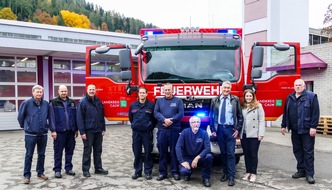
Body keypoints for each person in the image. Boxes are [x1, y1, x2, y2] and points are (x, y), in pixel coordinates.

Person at [281, 79, 320, 184]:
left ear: (304, 86)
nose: (298, 87)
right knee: (297, 151)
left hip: (307, 130)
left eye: (300, 85)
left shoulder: (311, 97)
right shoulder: (290, 97)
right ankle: (301, 170)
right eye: (296, 85)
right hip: (295, 130)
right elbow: (286, 112)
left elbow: (316, 113)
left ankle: (310, 174)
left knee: (308, 152)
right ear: (294, 86)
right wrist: (283, 125)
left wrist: (313, 127)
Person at [210, 81, 243, 186]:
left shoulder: (235, 100)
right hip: (219, 129)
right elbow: (211, 116)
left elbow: (240, 116)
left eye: (228, 88)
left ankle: (232, 176)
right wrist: (213, 129)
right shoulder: (215, 100)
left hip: (230, 130)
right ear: (221, 88)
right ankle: (225, 174)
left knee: (231, 154)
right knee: (223, 154)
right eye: (225, 88)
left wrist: (237, 129)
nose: (226, 90)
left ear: (230, 89)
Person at [17, 85, 50, 184]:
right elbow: (20, 117)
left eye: (41, 92)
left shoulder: (45, 104)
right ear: (33, 92)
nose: (39, 94)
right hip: (30, 135)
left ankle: (40, 173)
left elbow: (49, 116)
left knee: (42, 154)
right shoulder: (26, 103)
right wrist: (26, 126)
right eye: (37, 92)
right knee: (29, 155)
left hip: (43, 134)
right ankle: (27, 175)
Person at [154, 83, 184, 181]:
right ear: (163, 91)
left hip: (174, 130)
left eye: (169, 90)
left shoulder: (178, 101)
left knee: (174, 152)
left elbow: (181, 114)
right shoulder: (159, 101)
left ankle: (175, 172)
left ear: (172, 90)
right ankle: (162, 173)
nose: (167, 91)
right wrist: (164, 120)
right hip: (162, 130)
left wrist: (171, 120)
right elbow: (156, 113)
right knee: (162, 152)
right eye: (165, 90)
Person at [77, 84, 108, 177]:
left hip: (98, 130)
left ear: (95, 90)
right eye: (90, 89)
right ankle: (85, 170)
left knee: (98, 150)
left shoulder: (98, 101)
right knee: (87, 150)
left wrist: (103, 128)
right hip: (88, 131)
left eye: (93, 90)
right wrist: (82, 132)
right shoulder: (82, 102)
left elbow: (101, 116)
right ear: (87, 90)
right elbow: (79, 118)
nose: (91, 91)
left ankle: (98, 168)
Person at [49, 85, 78, 178]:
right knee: (58, 152)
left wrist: (76, 129)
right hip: (59, 132)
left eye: (65, 91)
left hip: (70, 132)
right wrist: (53, 130)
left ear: (67, 91)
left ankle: (68, 168)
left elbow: (75, 116)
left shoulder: (72, 102)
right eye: (62, 91)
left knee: (70, 151)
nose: (64, 93)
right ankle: (57, 170)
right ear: (58, 91)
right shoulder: (54, 102)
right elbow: (51, 118)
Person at [175, 116, 213, 187]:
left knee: (209, 156)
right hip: (188, 158)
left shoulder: (204, 133)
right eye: (193, 122)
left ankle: (206, 178)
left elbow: (208, 148)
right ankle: (188, 173)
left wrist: (197, 158)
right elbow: (178, 147)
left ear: (200, 124)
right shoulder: (185, 132)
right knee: (184, 171)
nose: (196, 124)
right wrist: (182, 161)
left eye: (198, 122)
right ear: (190, 124)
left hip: (199, 158)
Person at [128, 87, 156, 180]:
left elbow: (154, 119)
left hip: (147, 133)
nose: (142, 94)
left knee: (148, 152)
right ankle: (137, 171)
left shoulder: (151, 105)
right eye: (140, 93)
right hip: (136, 133)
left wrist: (149, 126)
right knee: (137, 152)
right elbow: (130, 117)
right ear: (138, 94)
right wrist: (135, 125)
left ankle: (148, 172)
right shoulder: (133, 105)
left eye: (144, 93)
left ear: (146, 94)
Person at [239, 89, 265, 182]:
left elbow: (262, 120)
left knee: (253, 154)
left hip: (254, 134)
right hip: (244, 134)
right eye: (247, 96)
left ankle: (253, 173)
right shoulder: (242, 106)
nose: (248, 97)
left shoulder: (258, 106)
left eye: (250, 96)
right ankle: (248, 172)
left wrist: (261, 134)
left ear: (253, 97)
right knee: (246, 154)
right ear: (244, 97)